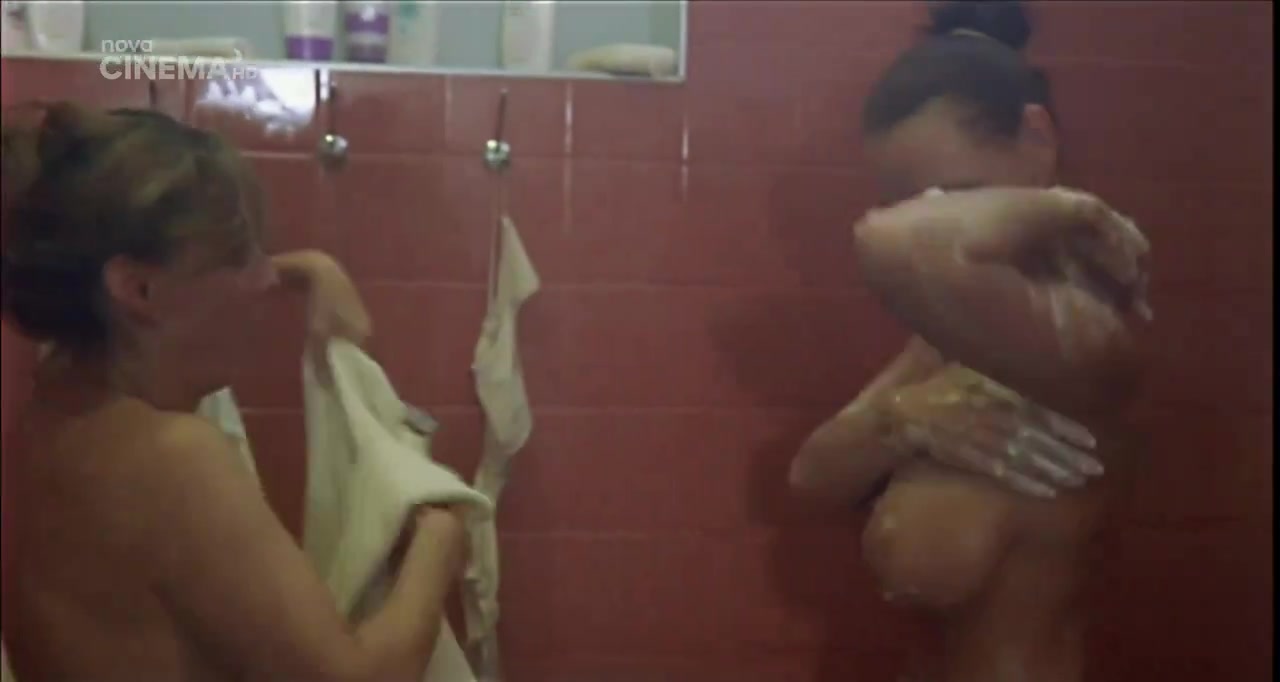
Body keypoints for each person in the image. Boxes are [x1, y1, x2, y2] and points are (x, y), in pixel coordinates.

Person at [0, 103, 468, 682]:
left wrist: (311, 268)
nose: (266, 277)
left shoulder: (53, 409)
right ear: (138, 289)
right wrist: (441, 536)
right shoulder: (171, 459)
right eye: (240, 255)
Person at [788, 2, 1150, 681]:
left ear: (1036, 138)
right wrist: (902, 421)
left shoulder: (1083, 332)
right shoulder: (957, 334)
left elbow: (890, 243)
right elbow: (813, 477)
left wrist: (1066, 206)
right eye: (908, 198)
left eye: (957, 195)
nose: (932, 217)